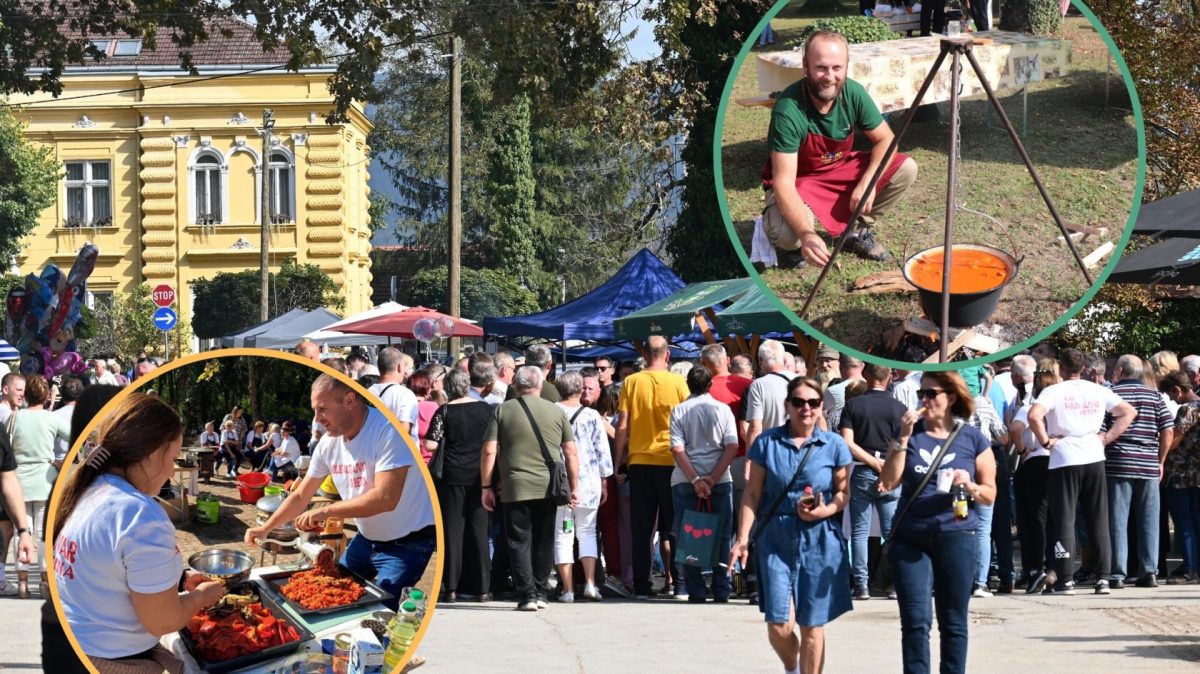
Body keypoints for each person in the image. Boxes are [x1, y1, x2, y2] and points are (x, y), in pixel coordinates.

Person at [53, 393, 226, 672]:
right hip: (112, 661)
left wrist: (179, 579)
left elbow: (106, 569)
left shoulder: (90, 491)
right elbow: (163, 621)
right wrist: (201, 598)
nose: (171, 470)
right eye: (173, 457)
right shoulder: (140, 514)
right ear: (153, 453)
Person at [247, 374, 437, 610]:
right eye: (315, 410)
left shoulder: (388, 431)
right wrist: (266, 528)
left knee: (379, 610)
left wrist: (325, 512)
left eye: (323, 409)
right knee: (333, 589)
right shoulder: (329, 442)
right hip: (367, 536)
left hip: (409, 542)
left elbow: (385, 498)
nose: (317, 419)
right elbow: (299, 496)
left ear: (349, 400)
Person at [760, 30, 917, 267]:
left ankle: (854, 232)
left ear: (846, 67)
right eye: (821, 68)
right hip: (800, 181)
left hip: (839, 170)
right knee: (787, 234)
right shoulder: (788, 109)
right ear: (805, 66)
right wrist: (806, 233)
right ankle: (798, 246)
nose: (829, 77)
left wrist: (868, 183)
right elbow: (783, 183)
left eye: (837, 68)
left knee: (906, 168)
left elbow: (886, 139)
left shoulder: (853, 93)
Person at [730, 377, 852, 674]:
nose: (806, 408)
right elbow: (753, 493)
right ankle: (793, 667)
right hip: (776, 537)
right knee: (779, 623)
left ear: (822, 406)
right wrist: (742, 537)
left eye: (813, 403)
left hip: (820, 540)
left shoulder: (833, 444)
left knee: (812, 624)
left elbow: (843, 493)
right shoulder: (766, 443)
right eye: (798, 402)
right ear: (788, 405)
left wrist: (825, 510)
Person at [879, 370, 997, 674]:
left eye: (932, 394)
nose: (925, 400)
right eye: (922, 394)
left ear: (951, 398)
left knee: (954, 621)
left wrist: (970, 486)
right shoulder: (910, 433)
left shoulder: (973, 439)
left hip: (956, 534)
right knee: (916, 622)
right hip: (911, 537)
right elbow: (889, 481)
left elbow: (989, 494)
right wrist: (902, 438)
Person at [1027, 348, 1137, 595]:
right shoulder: (1098, 390)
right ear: (1084, 368)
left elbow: (1034, 416)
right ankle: (1104, 578)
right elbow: (1128, 412)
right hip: (1093, 453)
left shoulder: (1053, 391)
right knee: (1098, 517)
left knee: (1064, 519)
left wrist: (1045, 441)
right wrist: (1107, 437)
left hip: (1064, 455)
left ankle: (1065, 579)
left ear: (1061, 369)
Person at [480, 366, 580, 611]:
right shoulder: (556, 412)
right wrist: (574, 486)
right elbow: (570, 452)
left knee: (518, 540)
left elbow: (490, 450)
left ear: (516, 384)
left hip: (515, 486)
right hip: (548, 486)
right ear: (540, 385)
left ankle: (527, 595)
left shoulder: (503, 410)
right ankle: (542, 590)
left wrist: (486, 486)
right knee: (544, 540)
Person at [613, 335, 690, 599]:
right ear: (667, 355)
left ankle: (643, 586)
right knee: (675, 525)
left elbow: (623, 425)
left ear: (644, 354)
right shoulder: (679, 382)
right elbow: (687, 421)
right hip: (672, 462)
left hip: (640, 461)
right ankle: (680, 584)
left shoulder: (631, 382)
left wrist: (618, 462)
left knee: (642, 528)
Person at [670, 366, 738, 603]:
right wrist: (712, 476)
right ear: (710, 385)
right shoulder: (724, 410)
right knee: (723, 535)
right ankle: (722, 587)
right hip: (719, 479)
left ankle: (696, 589)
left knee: (688, 534)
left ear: (688, 385)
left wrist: (696, 479)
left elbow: (678, 449)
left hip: (685, 480)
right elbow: (732, 447)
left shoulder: (679, 410)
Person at [1104, 355, 1174, 588]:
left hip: (1118, 463)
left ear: (1120, 371)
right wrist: (1160, 460)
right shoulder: (1154, 395)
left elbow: (1102, 429)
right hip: (1147, 464)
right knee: (1149, 520)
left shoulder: (1111, 395)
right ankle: (1149, 571)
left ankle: (1117, 573)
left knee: (1117, 520)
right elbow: (1168, 430)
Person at [839, 363, 906, 599]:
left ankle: (861, 585)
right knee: (892, 532)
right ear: (889, 376)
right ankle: (895, 583)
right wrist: (886, 467)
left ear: (866, 375)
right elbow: (904, 445)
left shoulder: (853, 405)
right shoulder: (900, 408)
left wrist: (872, 462)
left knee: (859, 531)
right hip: (891, 471)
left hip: (862, 470)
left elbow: (847, 442)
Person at [426, 370, 493, 602]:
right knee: (479, 531)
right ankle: (483, 587)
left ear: (448, 388)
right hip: (480, 476)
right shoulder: (486, 409)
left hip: (452, 476)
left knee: (452, 532)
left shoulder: (444, 411)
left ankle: (451, 587)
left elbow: (431, 444)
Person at [554, 371, 613, 602]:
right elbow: (602, 452)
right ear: (580, 389)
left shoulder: (552, 412)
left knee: (563, 534)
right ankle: (590, 583)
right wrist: (604, 481)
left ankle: (567, 589)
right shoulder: (592, 416)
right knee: (588, 532)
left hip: (561, 483)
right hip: (589, 481)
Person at [11, 374, 69, 599]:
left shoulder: (14, 419)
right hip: (45, 480)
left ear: (25, 395)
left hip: (18, 481)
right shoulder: (51, 419)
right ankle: (45, 581)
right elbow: (77, 437)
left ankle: (22, 582)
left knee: (21, 532)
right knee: (44, 533)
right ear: (46, 396)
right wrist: (58, 461)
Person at [1009, 360, 1058, 594]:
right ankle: (1056, 567)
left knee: (1033, 520)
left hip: (1035, 460)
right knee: (1054, 519)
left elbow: (1015, 428)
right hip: (1058, 461)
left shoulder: (1032, 405)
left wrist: (1021, 450)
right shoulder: (1058, 405)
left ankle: (1034, 569)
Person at [1160, 372, 1200, 583]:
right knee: (1195, 520)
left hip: (1180, 473)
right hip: (1196, 473)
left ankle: (1190, 569)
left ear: (1178, 389)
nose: (1172, 399)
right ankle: (1193, 565)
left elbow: (1174, 439)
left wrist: (1161, 455)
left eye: (1171, 394)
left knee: (1183, 522)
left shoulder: (1187, 409)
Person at [369, 347, 421, 453]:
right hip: (401, 460)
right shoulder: (405, 394)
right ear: (399, 367)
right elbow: (404, 430)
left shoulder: (366, 392)